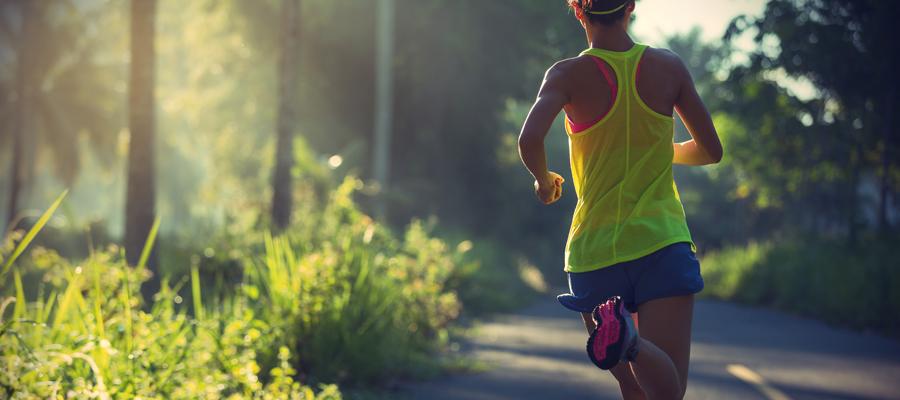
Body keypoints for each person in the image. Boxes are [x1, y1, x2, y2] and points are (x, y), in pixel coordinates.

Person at [517, 0, 724, 399]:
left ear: (578, 11)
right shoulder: (668, 68)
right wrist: (662, 145)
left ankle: (624, 338)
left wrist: (544, 181)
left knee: (633, 392)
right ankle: (629, 340)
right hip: (661, 244)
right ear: (631, 7)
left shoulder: (566, 74)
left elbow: (529, 140)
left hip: (595, 253)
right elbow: (710, 151)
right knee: (666, 391)